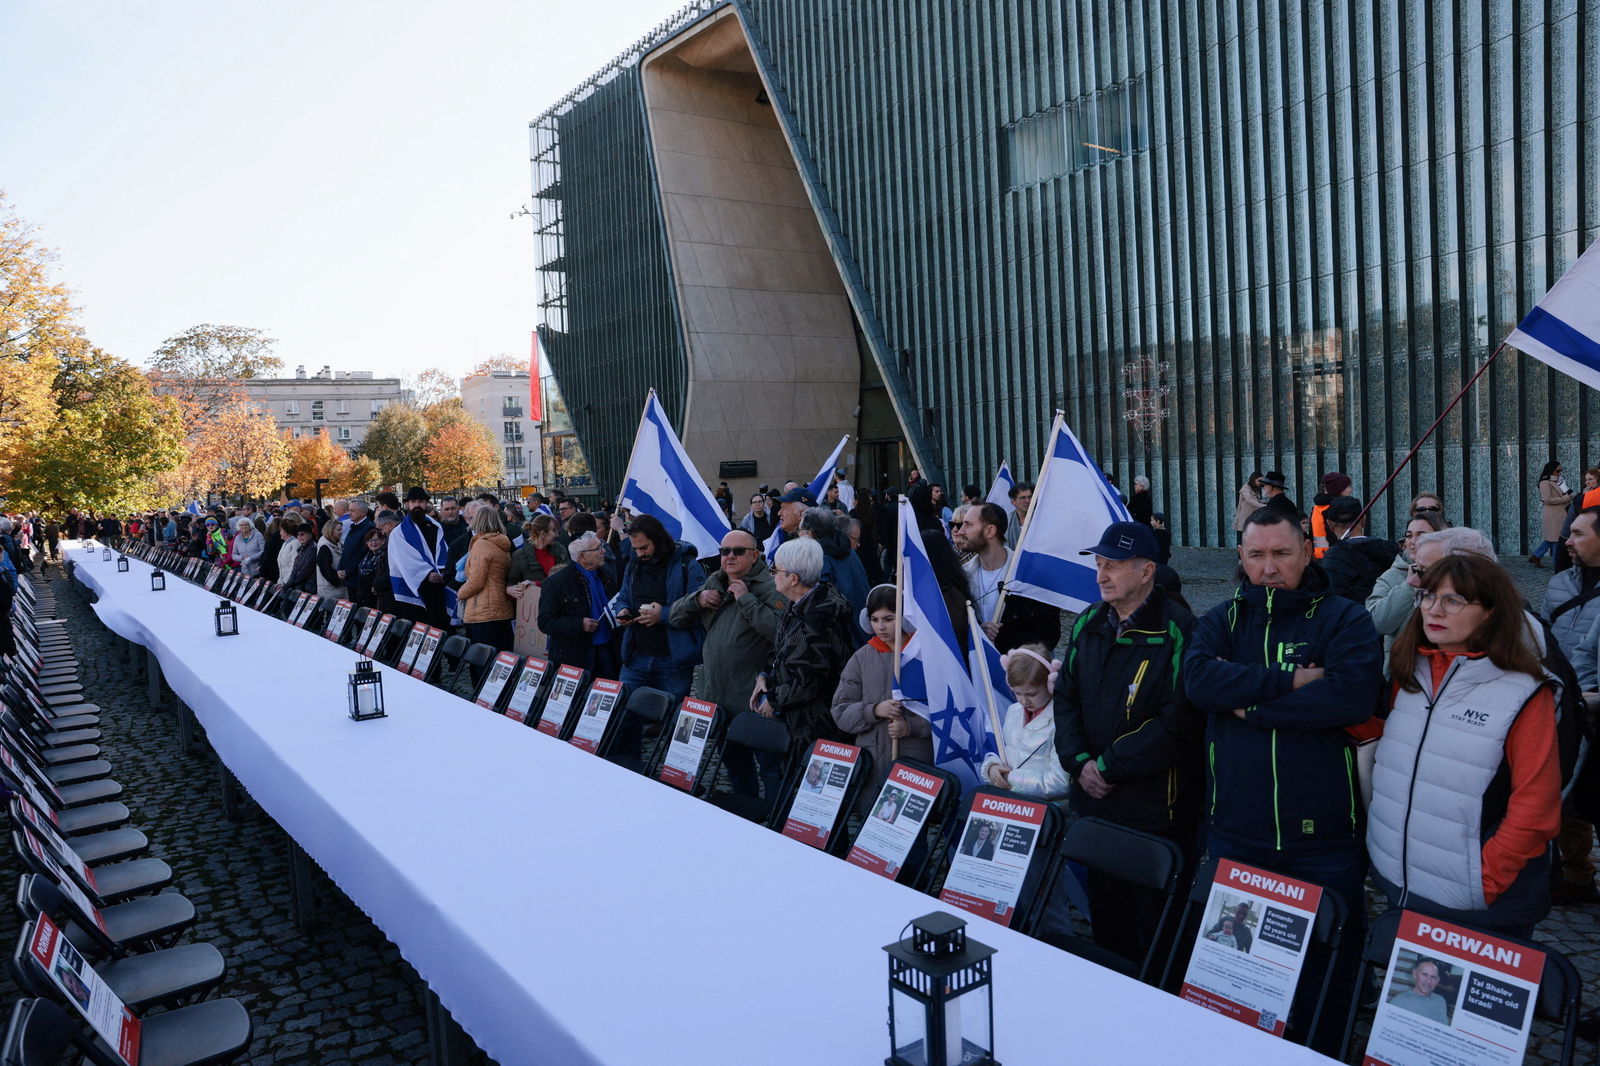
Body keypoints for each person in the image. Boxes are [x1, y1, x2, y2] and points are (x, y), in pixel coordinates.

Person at [1183, 507, 1382, 1015]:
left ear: (1307, 550)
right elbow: (1199, 683)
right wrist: (1293, 680)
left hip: (1325, 839)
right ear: (1242, 558)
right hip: (1236, 830)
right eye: (1256, 555)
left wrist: (1249, 705)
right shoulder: (1221, 618)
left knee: (1328, 978)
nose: (1269, 568)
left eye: (1280, 553)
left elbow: (1350, 698)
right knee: (1236, 978)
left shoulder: (1346, 618)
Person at [1369, 554, 1561, 936]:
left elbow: (1536, 805)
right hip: (1400, 881)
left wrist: (1484, 878)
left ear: (1491, 612)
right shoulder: (1411, 675)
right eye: (1427, 597)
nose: (1434, 609)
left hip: (1479, 899)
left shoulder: (1523, 691)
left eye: (1453, 600)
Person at [1055, 519, 1200, 964]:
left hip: (1156, 812)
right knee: (1107, 925)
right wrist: (1079, 763)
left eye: (1113, 565)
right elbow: (1066, 700)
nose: (1101, 575)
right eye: (1099, 563)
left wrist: (1109, 766)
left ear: (1146, 570)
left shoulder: (1181, 631)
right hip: (1096, 805)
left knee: (1156, 933)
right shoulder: (1087, 624)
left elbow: (1179, 721)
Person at [670, 528, 787, 797]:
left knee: (770, 768)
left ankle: (776, 823)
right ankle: (745, 816)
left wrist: (746, 599)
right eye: (724, 551)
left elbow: (780, 632)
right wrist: (696, 600)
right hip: (718, 696)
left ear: (755, 555)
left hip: (754, 699)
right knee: (735, 764)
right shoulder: (716, 581)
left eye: (738, 551)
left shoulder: (770, 586)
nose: (729, 557)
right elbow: (675, 617)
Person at [830, 584, 933, 806]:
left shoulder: (925, 656)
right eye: (875, 620)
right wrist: (873, 710)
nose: (881, 627)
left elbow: (946, 713)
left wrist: (911, 727)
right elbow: (840, 711)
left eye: (888, 619)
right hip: (872, 763)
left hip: (913, 763)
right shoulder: (861, 658)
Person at [751, 538, 855, 751]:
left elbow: (808, 681)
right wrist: (763, 674)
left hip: (813, 725)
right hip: (799, 717)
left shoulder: (815, 619)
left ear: (793, 578)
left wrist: (773, 700)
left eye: (775, 570)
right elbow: (781, 648)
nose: (772, 575)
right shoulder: (800, 603)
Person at [615, 515, 705, 707]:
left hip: (673, 659)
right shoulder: (634, 564)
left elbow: (699, 608)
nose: (639, 553)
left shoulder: (687, 565)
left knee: (669, 717)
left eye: (644, 547)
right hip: (636, 655)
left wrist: (663, 615)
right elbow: (623, 595)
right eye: (635, 548)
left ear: (658, 540)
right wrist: (623, 610)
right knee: (623, 712)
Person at [958, 503, 1060, 653]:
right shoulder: (962, 577)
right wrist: (978, 631)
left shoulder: (1027, 575)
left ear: (989, 531)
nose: (960, 531)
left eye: (967, 524)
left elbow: (1049, 634)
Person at [981, 644, 1068, 798]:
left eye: (1031, 694)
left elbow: (1061, 782)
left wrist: (1010, 779)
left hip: (1044, 808)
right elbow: (1003, 751)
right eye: (1017, 693)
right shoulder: (1013, 711)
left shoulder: (1061, 721)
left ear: (1050, 685)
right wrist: (992, 768)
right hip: (1010, 802)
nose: (1023, 700)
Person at [1366, 509, 1449, 667]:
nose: (1412, 541)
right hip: (1405, 671)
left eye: (1421, 535)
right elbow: (1376, 622)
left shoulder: (1456, 574)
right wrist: (1408, 587)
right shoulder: (1391, 576)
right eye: (1409, 535)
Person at [538, 532, 621, 676]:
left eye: (601, 545)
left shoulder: (607, 573)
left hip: (609, 650)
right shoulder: (556, 583)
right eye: (597, 548)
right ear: (582, 556)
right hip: (576, 657)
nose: (603, 551)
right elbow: (545, 622)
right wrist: (579, 624)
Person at [389, 489, 452, 628]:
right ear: (407, 504)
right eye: (413, 502)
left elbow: (442, 550)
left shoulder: (435, 526)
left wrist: (443, 571)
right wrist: (427, 574)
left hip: (438, 584)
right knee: (421, 625)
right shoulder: (399, 533)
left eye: (421, 501)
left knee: (441, 623)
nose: (417, 505)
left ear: (426, 503)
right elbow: (403, 560)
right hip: (416, 585)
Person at [457, 505, 516, 655]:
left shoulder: (482, 545)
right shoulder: (501, 543)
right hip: (502, 608)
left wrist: (460, 593)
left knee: (482, 661)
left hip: (483, 611)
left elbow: (476, 581)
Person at [1321, 495, 1400, 603]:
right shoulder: (1392, 550)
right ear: (1363, 519)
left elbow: (1332, 600)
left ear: (1329, 524)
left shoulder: (1334, 557)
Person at [798, 506, 869, 620]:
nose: (799, 535)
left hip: (845, 631)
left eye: (800, 530)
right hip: (863, 625)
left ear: (810, 533)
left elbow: (818, 602)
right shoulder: (849, 550)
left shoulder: (821, 559)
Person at [506, 513, 568, 590]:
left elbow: (565, 577)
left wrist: (537, 584)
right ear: (542, 534)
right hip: (534, 600)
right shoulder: (520, 555)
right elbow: (512, 581)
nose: (557, 535)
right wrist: (509, 589)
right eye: (554, 531)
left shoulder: (560, 550)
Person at [1533, 460, 1572, 568]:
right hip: (1553, 514)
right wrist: (1566, 498)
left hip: (1561, 513)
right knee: (1556, 539)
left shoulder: (1559, 481)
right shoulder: (1544, 483)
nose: (1560, 473)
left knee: (1551, 538)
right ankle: (1557, 564)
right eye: (1558, 470)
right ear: (1551, 470)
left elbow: (1567, 492)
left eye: (1561, 470)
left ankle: (1536, 556)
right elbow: (1547, 499)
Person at [1387, 959, 1451, 1024]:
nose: (1428, 981)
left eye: (1433, 977)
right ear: (1415, 974)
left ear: (1438, 980)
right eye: (1424, 974)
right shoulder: (1399, 1001)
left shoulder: (1440, 1000)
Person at [1309, 471, 1353, 559]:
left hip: (1320, 555)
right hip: (1333, 556)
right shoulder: (1332, 508)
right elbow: (1333, 536)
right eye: (1348, 486)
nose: (1351, 489)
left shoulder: (1318, 507)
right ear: (1338, 489)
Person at [338, 500, 376, 602]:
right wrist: (340, 568)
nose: (348, 513)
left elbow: (361, 554)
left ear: (363, 512)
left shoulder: (368, 527)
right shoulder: (354, 526)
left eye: (352, 510)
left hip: (357, 578)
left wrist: (346, 571)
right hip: (349, 577)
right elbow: (346, 550)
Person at [314, 519, 344, 599]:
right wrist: (338, 578)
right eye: (338, 530)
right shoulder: (324, 547)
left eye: (341, 529)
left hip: (335, 588)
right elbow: (326, 569)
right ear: (331, 531)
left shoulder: (337, 544)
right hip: (330, 589)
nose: (341, 532)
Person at [1233, 473, 1263, 546]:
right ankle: (1241, 557)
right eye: (1259, 480)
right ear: (1253, 479)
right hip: (1244, 517)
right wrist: (1261, 505)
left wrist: (1266, 502)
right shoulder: (1245, 488)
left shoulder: (1255, 489)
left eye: (1262, 481)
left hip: (1252, 516)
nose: (1261, 482)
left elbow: (1257, 501)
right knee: (1242, 539)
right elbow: (1249, 499)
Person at [1004, 481, 1034, 549]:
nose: (1027, 501)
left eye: (1030, 497)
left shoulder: (1039, 518)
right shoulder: (1007, 521)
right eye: (1023, 498)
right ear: (1013, 502)